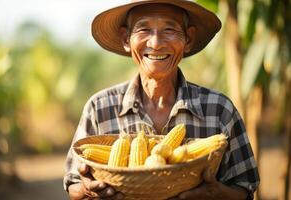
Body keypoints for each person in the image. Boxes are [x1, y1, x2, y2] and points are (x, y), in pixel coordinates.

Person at [64, 0, 260, 199]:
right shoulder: (99, 108)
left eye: (169, 29)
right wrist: (86, 189)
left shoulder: (220, 110)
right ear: (126, 39)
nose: (156, 43)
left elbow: (245, 188)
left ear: (188, 39)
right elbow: (74, 183)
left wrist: (216, 194)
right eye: (144, 29)